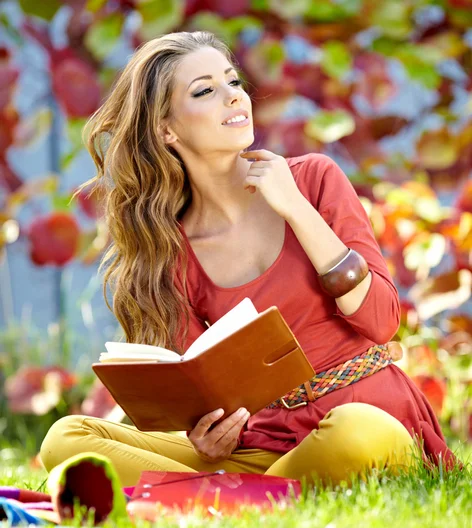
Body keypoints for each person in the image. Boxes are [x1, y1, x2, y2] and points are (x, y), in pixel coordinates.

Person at [39, 31, 457, 488]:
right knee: (67, 438)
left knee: (358, 432)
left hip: (362, 426)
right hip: (265, 448)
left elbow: (380, 322)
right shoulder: (172, 253)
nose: (234, 97)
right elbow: (204, 394)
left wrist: (296, 208)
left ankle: (215, 498)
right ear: (166, 129)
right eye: (205, 90)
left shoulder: (313, 178)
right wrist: (205, 436)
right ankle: (252, 494)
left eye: (233, 81)